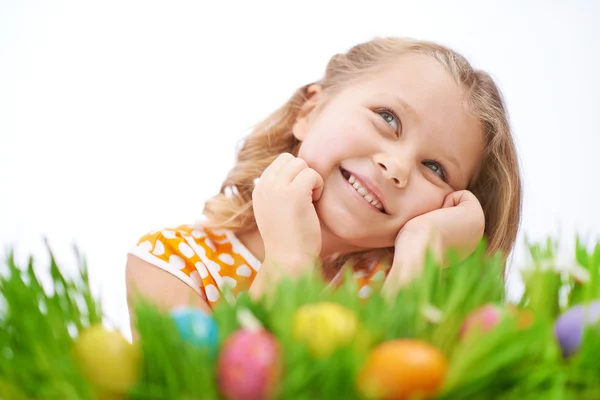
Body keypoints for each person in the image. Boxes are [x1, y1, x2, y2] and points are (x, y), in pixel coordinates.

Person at [126, 37, 521, 338]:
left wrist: (420, 255)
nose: (397, 166)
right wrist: (289, 258)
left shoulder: (415, 287)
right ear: (310, 111)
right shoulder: (175, 265)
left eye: (435, 168)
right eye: (387, 118)